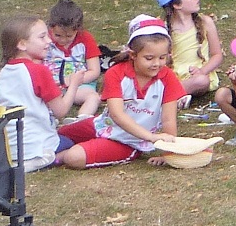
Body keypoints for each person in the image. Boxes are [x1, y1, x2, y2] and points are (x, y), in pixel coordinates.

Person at [55, 16, 186, 168]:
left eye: (162, 57)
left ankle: (53, 159)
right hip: (103, 125)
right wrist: (151, 136)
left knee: (73, 157)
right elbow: (117, 115)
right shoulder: (116, 73)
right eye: (149, 58)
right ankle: (54, 153)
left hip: (130, 141)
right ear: (133, 55)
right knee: (59, 135)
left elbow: (168, 119)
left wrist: (167, 152)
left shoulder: (168, 78)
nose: (156, 63)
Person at [0, 14, 96, 172]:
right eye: (42, 37)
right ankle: (51, 158)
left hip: (11, 148)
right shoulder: (39, 71)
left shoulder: (4, 73)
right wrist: (74, 84)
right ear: (22, 44)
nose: (49, 41)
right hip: (38, 145)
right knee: (79, 138)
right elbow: (61, 111)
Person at [158, 0, 223, 105]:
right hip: (171, 77)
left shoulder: (205, 22)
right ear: (176, 4)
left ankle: (169, 96)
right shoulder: (162, 28)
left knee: (202, 81)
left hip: (197, 77)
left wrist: (202, 71)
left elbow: (217, 55)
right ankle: (174, 95)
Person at [44, 0, 102, 117]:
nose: (63, 40)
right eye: (58, 35)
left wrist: (72, 81)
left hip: (80, 86)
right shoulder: (44, 39)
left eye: (69, 36)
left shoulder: (85, 39)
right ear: (51, 28)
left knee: (93, 97)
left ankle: (81, 119)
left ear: (78, 30)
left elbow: (94, 71)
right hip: (52, 85)